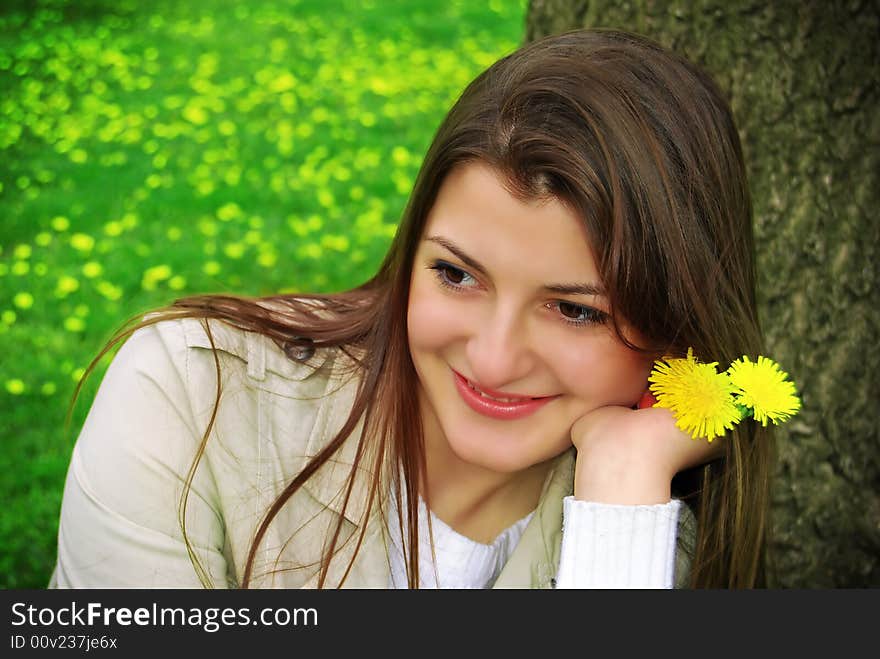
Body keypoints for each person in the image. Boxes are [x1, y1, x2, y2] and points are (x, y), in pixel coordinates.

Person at [49, 28, 774, 589]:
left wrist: (620, 489)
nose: (491, 357)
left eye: (575, 310)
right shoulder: (189, 394)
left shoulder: (644, 541)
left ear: (677, 327)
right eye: (457, 274)